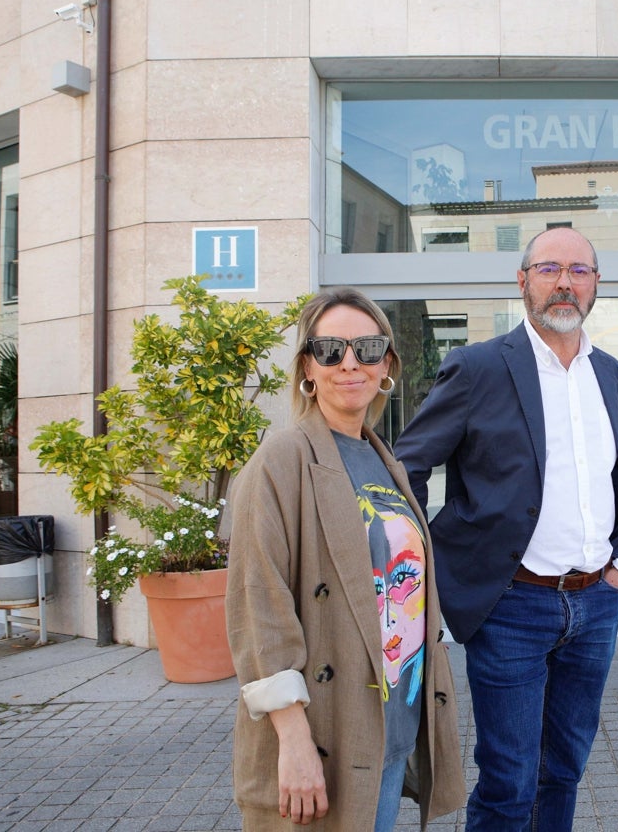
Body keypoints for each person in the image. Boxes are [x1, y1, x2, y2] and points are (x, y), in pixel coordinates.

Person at [395, 226, 618, 831]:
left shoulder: (609, 374)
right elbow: (407, 466)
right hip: (512, 607)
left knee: (564, 770)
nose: (565, 282)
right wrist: (438, 564)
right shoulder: (479, 367)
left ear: (596, 284)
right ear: (523, 280)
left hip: (596, 604)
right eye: (550, 268)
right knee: (510, 781)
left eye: (579, 270)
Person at [226, 287, 465, 832]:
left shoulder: (385, 460)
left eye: (368, 347)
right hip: (325, 734)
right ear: (308, 367)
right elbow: (257, 604)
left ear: (388, 365)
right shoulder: (283, 459)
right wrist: (293, 741)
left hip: (388, 725)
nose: (350, 362)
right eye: (331, 349)